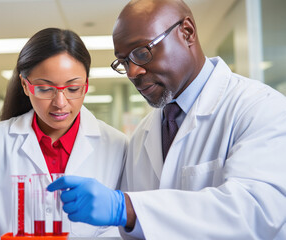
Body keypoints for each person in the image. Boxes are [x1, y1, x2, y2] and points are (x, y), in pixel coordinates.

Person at [47, 0, 286, 239]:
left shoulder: (260, 107)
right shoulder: (143, 134)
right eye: (124, 62)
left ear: (187, 32)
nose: (132, 72)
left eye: (141, 52)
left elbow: (257, 212)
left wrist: (127, 208)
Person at [0, 28, 127, 237]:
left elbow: (134, 227)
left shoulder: (119, 146)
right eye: (45, 89)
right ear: (25, 86)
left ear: (86, 86)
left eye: (73, 89)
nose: (60, 103)